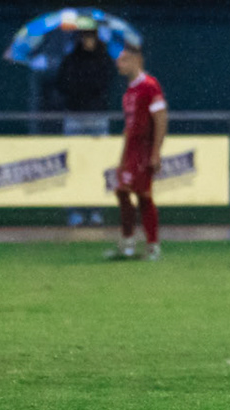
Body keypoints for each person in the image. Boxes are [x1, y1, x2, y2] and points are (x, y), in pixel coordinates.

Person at [108, 44, 167, 260]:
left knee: (142, 195)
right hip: (132, 151)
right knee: (123, 191)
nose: (119, 64)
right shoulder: (129, 92)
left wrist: (156, 152)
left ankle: (151, 246)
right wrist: (123, 157)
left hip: (144, 150)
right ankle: (129, 243)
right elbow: (129, 128)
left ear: (137, 60)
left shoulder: (150, 86)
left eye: (124, 59)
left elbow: (160, 118)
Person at [54, 29, 114, 225]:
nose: (88, 41)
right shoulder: (71, 59)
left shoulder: (104, 59)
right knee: (73, 165)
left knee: (98, 165)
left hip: (97, 116)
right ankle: (75, 212)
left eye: (91, 36)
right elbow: (62, 84)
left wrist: (85, 87)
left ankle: (96, 211)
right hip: (75, 116)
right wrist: (80, 90)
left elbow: (105, 83)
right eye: (84, 37)